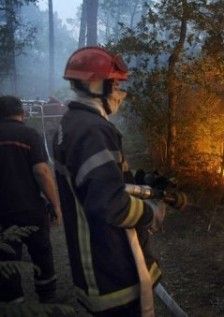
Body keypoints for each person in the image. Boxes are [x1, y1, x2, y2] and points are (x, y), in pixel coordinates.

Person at [53, 46, 165, 316]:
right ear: (94, 84)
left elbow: (100, 182)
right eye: (114, 84)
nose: (119, 93)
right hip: (111, 267)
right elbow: (111, 204)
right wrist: (149, 214)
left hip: (94, 262)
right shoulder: (93, 130)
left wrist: (140, 183)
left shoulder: (72, 123)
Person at [0, 95, 62, 304]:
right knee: (41, 252)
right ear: (22, 113)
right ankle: (48, 298)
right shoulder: (29, 135)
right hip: (31, 209)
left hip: (2, 214)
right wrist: (55, 205)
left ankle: (14, 303)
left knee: (7, 258)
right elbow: (42, 172)